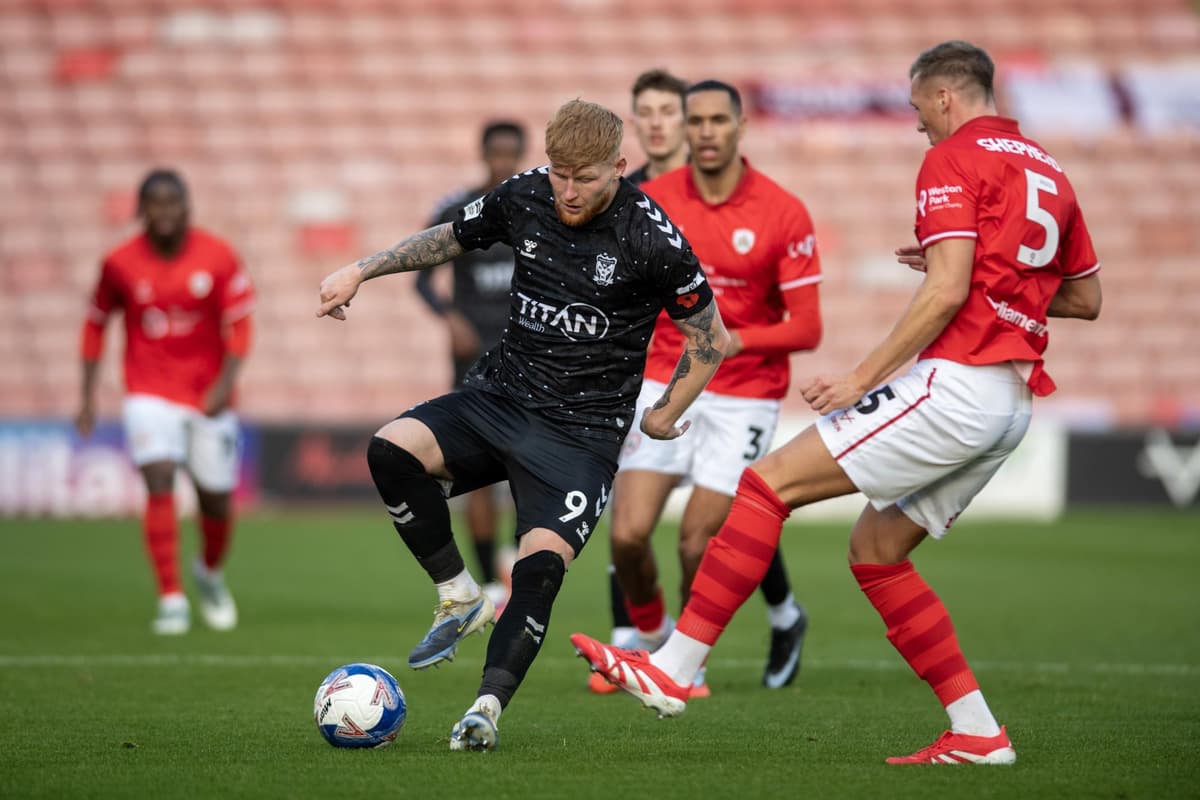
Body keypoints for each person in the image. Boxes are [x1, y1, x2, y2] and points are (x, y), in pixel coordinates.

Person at [571, 40, 1102, 765]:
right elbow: (1083, 297)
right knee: (876, 553)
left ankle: (675, 668)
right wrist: (984, 277)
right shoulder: (1048, 167)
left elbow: (946, 290)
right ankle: (978, 731)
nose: (918, 122)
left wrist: (862, 377)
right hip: (1011, 400)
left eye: (918, 107)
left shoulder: (953, 157)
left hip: (959, 383)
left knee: (766, 487)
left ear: (944, 96)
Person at [316, 99, 730, 752]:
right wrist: (362, 270)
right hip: (502, 396)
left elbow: (709, 339)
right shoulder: (526, 194)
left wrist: (664, 412)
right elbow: (449, 238)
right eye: (560, 173)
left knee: (538, 570)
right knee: (391, 451)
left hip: (582, 435)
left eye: (585, 178)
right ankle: (460, 595)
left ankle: (485, 709)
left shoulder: (653, 239)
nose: (569, 190)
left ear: (619, 167)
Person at [597, 80, 820, 699]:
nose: (706, 131)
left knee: (698, 541)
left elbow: (807, 327)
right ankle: (654, 635)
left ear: (740, 126)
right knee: (627, 536)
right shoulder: (653, 200)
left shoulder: (782, 210)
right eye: (696, 121)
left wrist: (725, 340)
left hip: (746, 395)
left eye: (718, 120)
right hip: (665, 380)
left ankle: (683, 662)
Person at [76, 169, 255, 636]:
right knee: (158, 478)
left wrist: (224, 385)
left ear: (187, 207)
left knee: (216, 501)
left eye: (172, 201)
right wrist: (87, 395)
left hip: (208, 395)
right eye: (154, 203)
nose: (164, 211)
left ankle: (209, 572)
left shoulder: (218, 255)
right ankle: (171, 597)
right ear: (141, 210)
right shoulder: (119, 263)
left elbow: (240, 325)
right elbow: (95, 323)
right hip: (148, 390)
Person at [415, 120, 527, 611]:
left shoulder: (534, 207)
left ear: (519, 155)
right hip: (472, 356)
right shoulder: (458, 209)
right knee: (476, 468)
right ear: (483, 154)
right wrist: (449, 316)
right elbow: (421, 277)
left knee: (526, 464)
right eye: (495, 153)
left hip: (527, 354)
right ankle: (488, 580)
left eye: (510, 154)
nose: (503, 162)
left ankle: (520, 562)